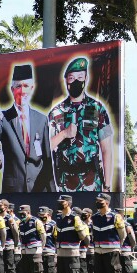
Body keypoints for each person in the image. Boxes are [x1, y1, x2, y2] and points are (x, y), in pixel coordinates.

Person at [0, 64, 55, 192]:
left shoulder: (41, 119)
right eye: (18, 86)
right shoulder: (4, 118)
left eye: (26, 86)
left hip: (38, 188)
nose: (22, 91)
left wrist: (52, 192)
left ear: (32, 88)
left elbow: (47, 159)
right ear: (12, 89)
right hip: (14, 190)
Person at [48, 57, 113, 192]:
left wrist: (107, 186)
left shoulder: (98, 109)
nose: (76, 82)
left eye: (80, 77)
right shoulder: (56, 112)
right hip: (65, 185)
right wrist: (64, 134)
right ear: (66, 80)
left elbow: (107, 149)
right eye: (71, 78)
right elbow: (46, 147)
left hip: (92, 183)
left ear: (86, 79)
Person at [91, 193, 126, 273]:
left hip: (112, 251)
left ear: (106, 202)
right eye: (97, 201)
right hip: (98, 251)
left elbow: (122, 234)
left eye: (100, 201)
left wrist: (117, 247)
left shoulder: (115, 217)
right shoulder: (95, 217)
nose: (97, 203)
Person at [53, 195, 89, 273]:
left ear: (68, 203)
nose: (59, 204)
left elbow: (82, 235)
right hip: (60, 252)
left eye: (62, 202)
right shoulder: (59, 217)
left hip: (72, 252)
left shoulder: (75, 218)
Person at [17, 205, 46, 273]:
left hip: (35, 250)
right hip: (24, 251)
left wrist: (41, 247)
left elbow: (43, 235)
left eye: (23, 213)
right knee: (25, 271)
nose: (21, 215)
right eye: (20, 213)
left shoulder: (36, 221)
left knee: (37, 271)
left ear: (28, 212)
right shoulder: (21, 223)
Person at [0, 199, 20, 273]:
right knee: (0, 267)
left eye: (0, 206)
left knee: (10, 267)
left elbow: (16, 233)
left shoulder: (9, 218)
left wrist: (15, 245)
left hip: (8, 245)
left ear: (5, 207)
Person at [116, 208, 136, 273]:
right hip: (117, 250)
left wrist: (130, 248)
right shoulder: (114, 224)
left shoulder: (127, 225)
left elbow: (133, 239)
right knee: (119, 270)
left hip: (125, 250)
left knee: (128, 270)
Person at [38, 206, 57, 273]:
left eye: (43, 214)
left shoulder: (53, 224)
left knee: (50, 270)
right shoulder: (38, 223)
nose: (41, 216)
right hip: (40, 251)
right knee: (43, 271)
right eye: (40, 215)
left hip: (50, 251)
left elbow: (56, 238)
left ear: (48, 214)